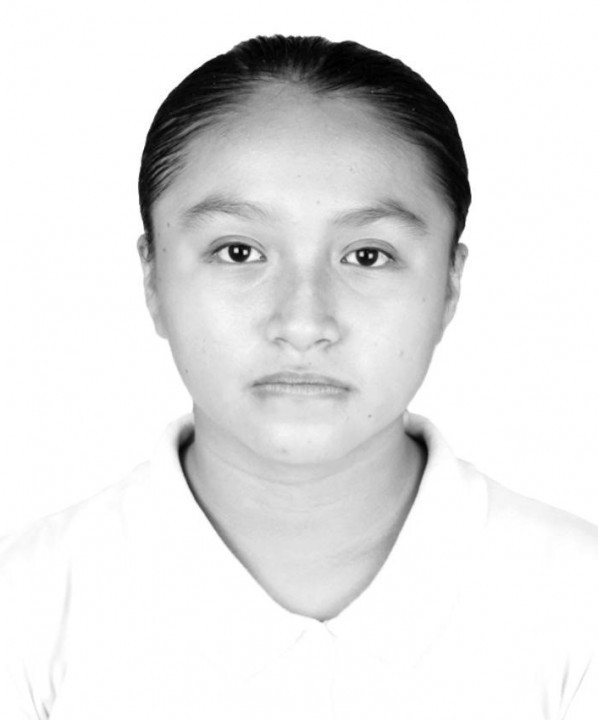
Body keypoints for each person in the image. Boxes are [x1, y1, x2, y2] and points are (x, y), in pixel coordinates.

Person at [1, 34, 597, 720]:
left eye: (368, 255)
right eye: (238, 251)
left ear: (450, 285)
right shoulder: (25, 613)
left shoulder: (578, 609)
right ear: (153, 278)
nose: (304, 322)